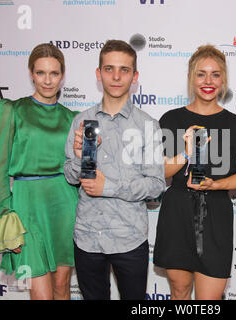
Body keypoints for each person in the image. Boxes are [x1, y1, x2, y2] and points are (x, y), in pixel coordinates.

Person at [64, 39, 166, 300]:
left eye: (124, 70)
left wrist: (108, 187)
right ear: (98, 74)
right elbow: (70, 176)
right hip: (88, 237)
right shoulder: (81, 120)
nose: (117, 76)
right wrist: (78, 157)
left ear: (135, 76)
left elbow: (156, 184)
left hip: (129, 238)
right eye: (109, 69)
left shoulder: (148, 125)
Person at [153, 45, 236, 300]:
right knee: (179, 292)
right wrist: (186, 153)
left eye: (215, 74)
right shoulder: (170, 120)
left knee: (209, 300)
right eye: (201, 74)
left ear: (224, 80)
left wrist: (214, 185)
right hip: (177, 213)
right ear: (191, 78)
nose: (208, 81)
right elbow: (160, 170)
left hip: (216, 213)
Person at [0, 43, 79, 300]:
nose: (47, 81)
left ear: (63, 75)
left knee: (62, 285)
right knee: (40, 293)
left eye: (54, 73)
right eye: (40, 73)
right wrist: (5, 212)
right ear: (30, 73)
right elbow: (0, 167)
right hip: (27, 206)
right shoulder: (12, 110)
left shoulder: (73, 118)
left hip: (65, 202)